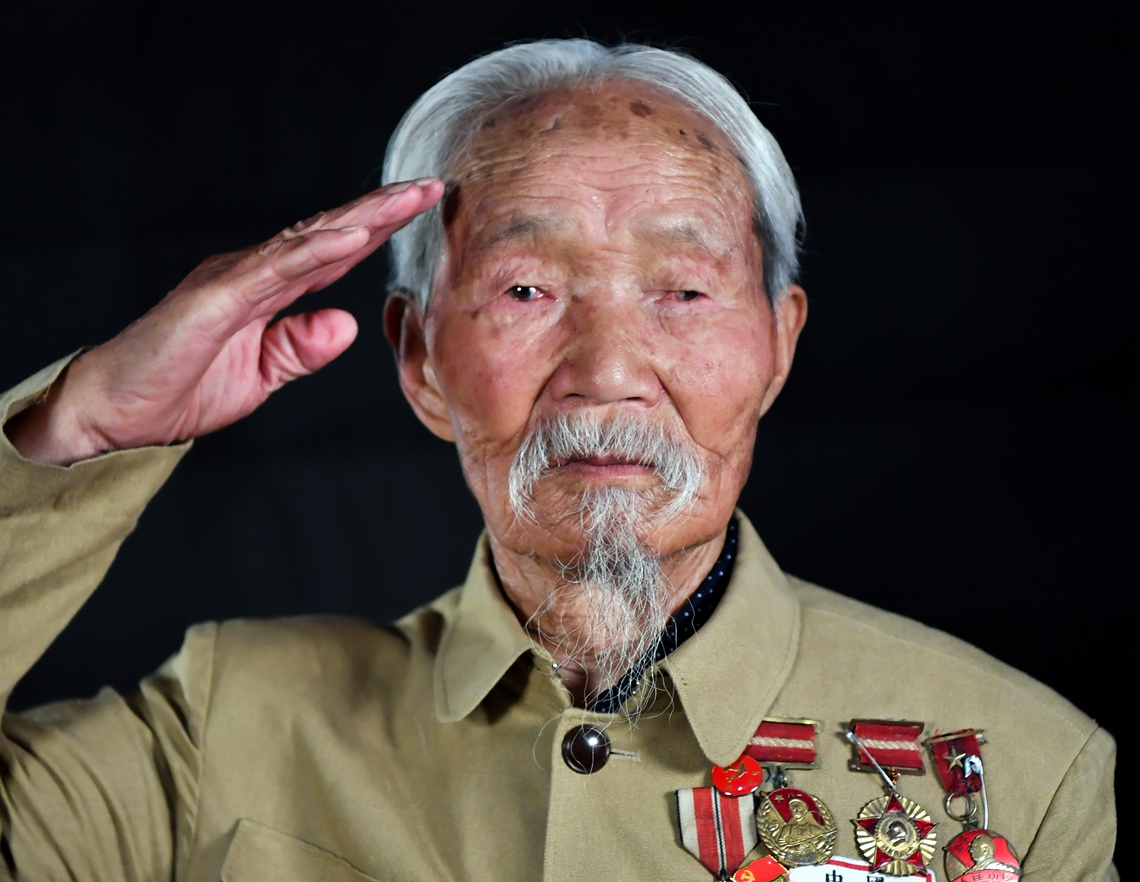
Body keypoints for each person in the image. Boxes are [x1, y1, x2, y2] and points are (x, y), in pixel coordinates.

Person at [0, 39, 1116, 882]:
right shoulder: (224, 728)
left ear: (779, 347)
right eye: (527, 290)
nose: (608, 370)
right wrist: (82, 426)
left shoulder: (1022, 769)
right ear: (419, 358)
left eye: (684, 291)